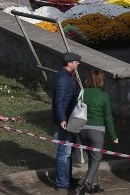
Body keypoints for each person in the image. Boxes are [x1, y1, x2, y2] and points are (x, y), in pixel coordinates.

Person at [80, 69, 118, 194]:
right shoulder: (104, 96)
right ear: (101, 81)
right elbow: (108, 117)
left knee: (92, 158)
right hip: (97, 131)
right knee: (96, 158)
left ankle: (93, 185)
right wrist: (113, 136)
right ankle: (87, 182)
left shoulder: (82, 92)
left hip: (83, 129)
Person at [52, 52, 82, 192]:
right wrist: (62, 119)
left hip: (69, 119)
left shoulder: (66, 76)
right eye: (76, 61)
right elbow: (59, 100)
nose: (78, 64)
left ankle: (67, 179)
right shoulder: (64, 79)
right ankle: (62, 183)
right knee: (64, 152)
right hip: (65, 120)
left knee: (67, 151)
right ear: (69, 64)